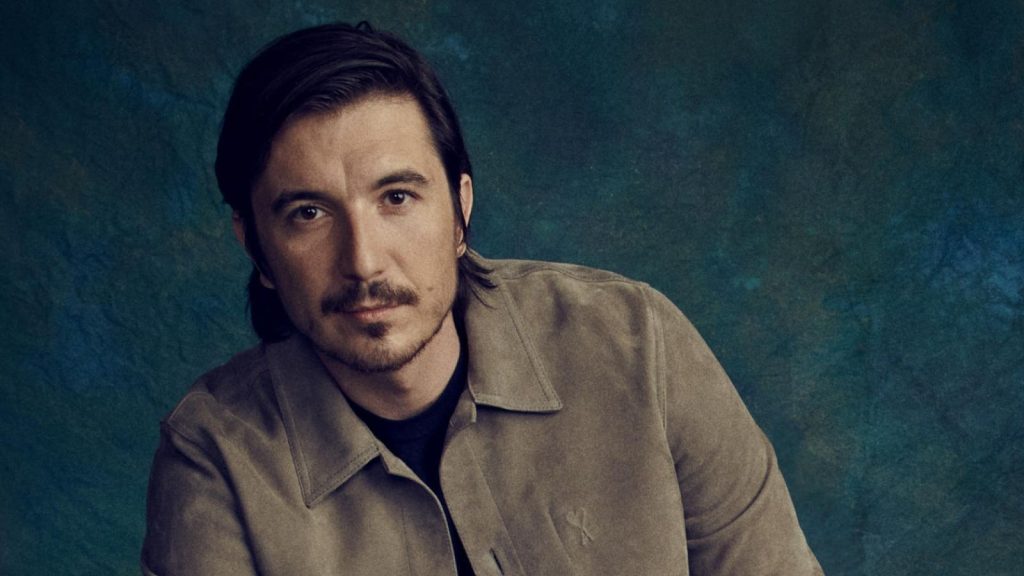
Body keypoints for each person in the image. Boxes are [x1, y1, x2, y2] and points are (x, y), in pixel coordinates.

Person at [142, 21, 823, 576]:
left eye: (397, 197)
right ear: (256, 246)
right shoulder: (214, 458)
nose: (364, 261)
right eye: (309, 214)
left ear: (460, 210)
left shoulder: (636, 343)